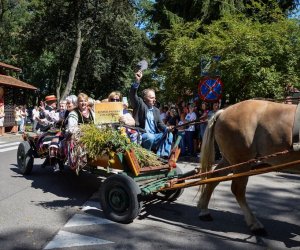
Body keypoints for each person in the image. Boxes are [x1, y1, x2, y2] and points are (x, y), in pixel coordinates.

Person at [129, 70, 173, 158]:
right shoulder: (139, 104)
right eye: (152, 98)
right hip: (142, 134)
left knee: (169, 134)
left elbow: (160, 124)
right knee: (150, 137)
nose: (154, 100)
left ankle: (162, 156)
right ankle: (147, 157)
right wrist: (137, 81)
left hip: (155, 135)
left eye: (155, 98)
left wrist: (167, 128)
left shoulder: (156, 110)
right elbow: (132, 95)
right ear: (145, 98)